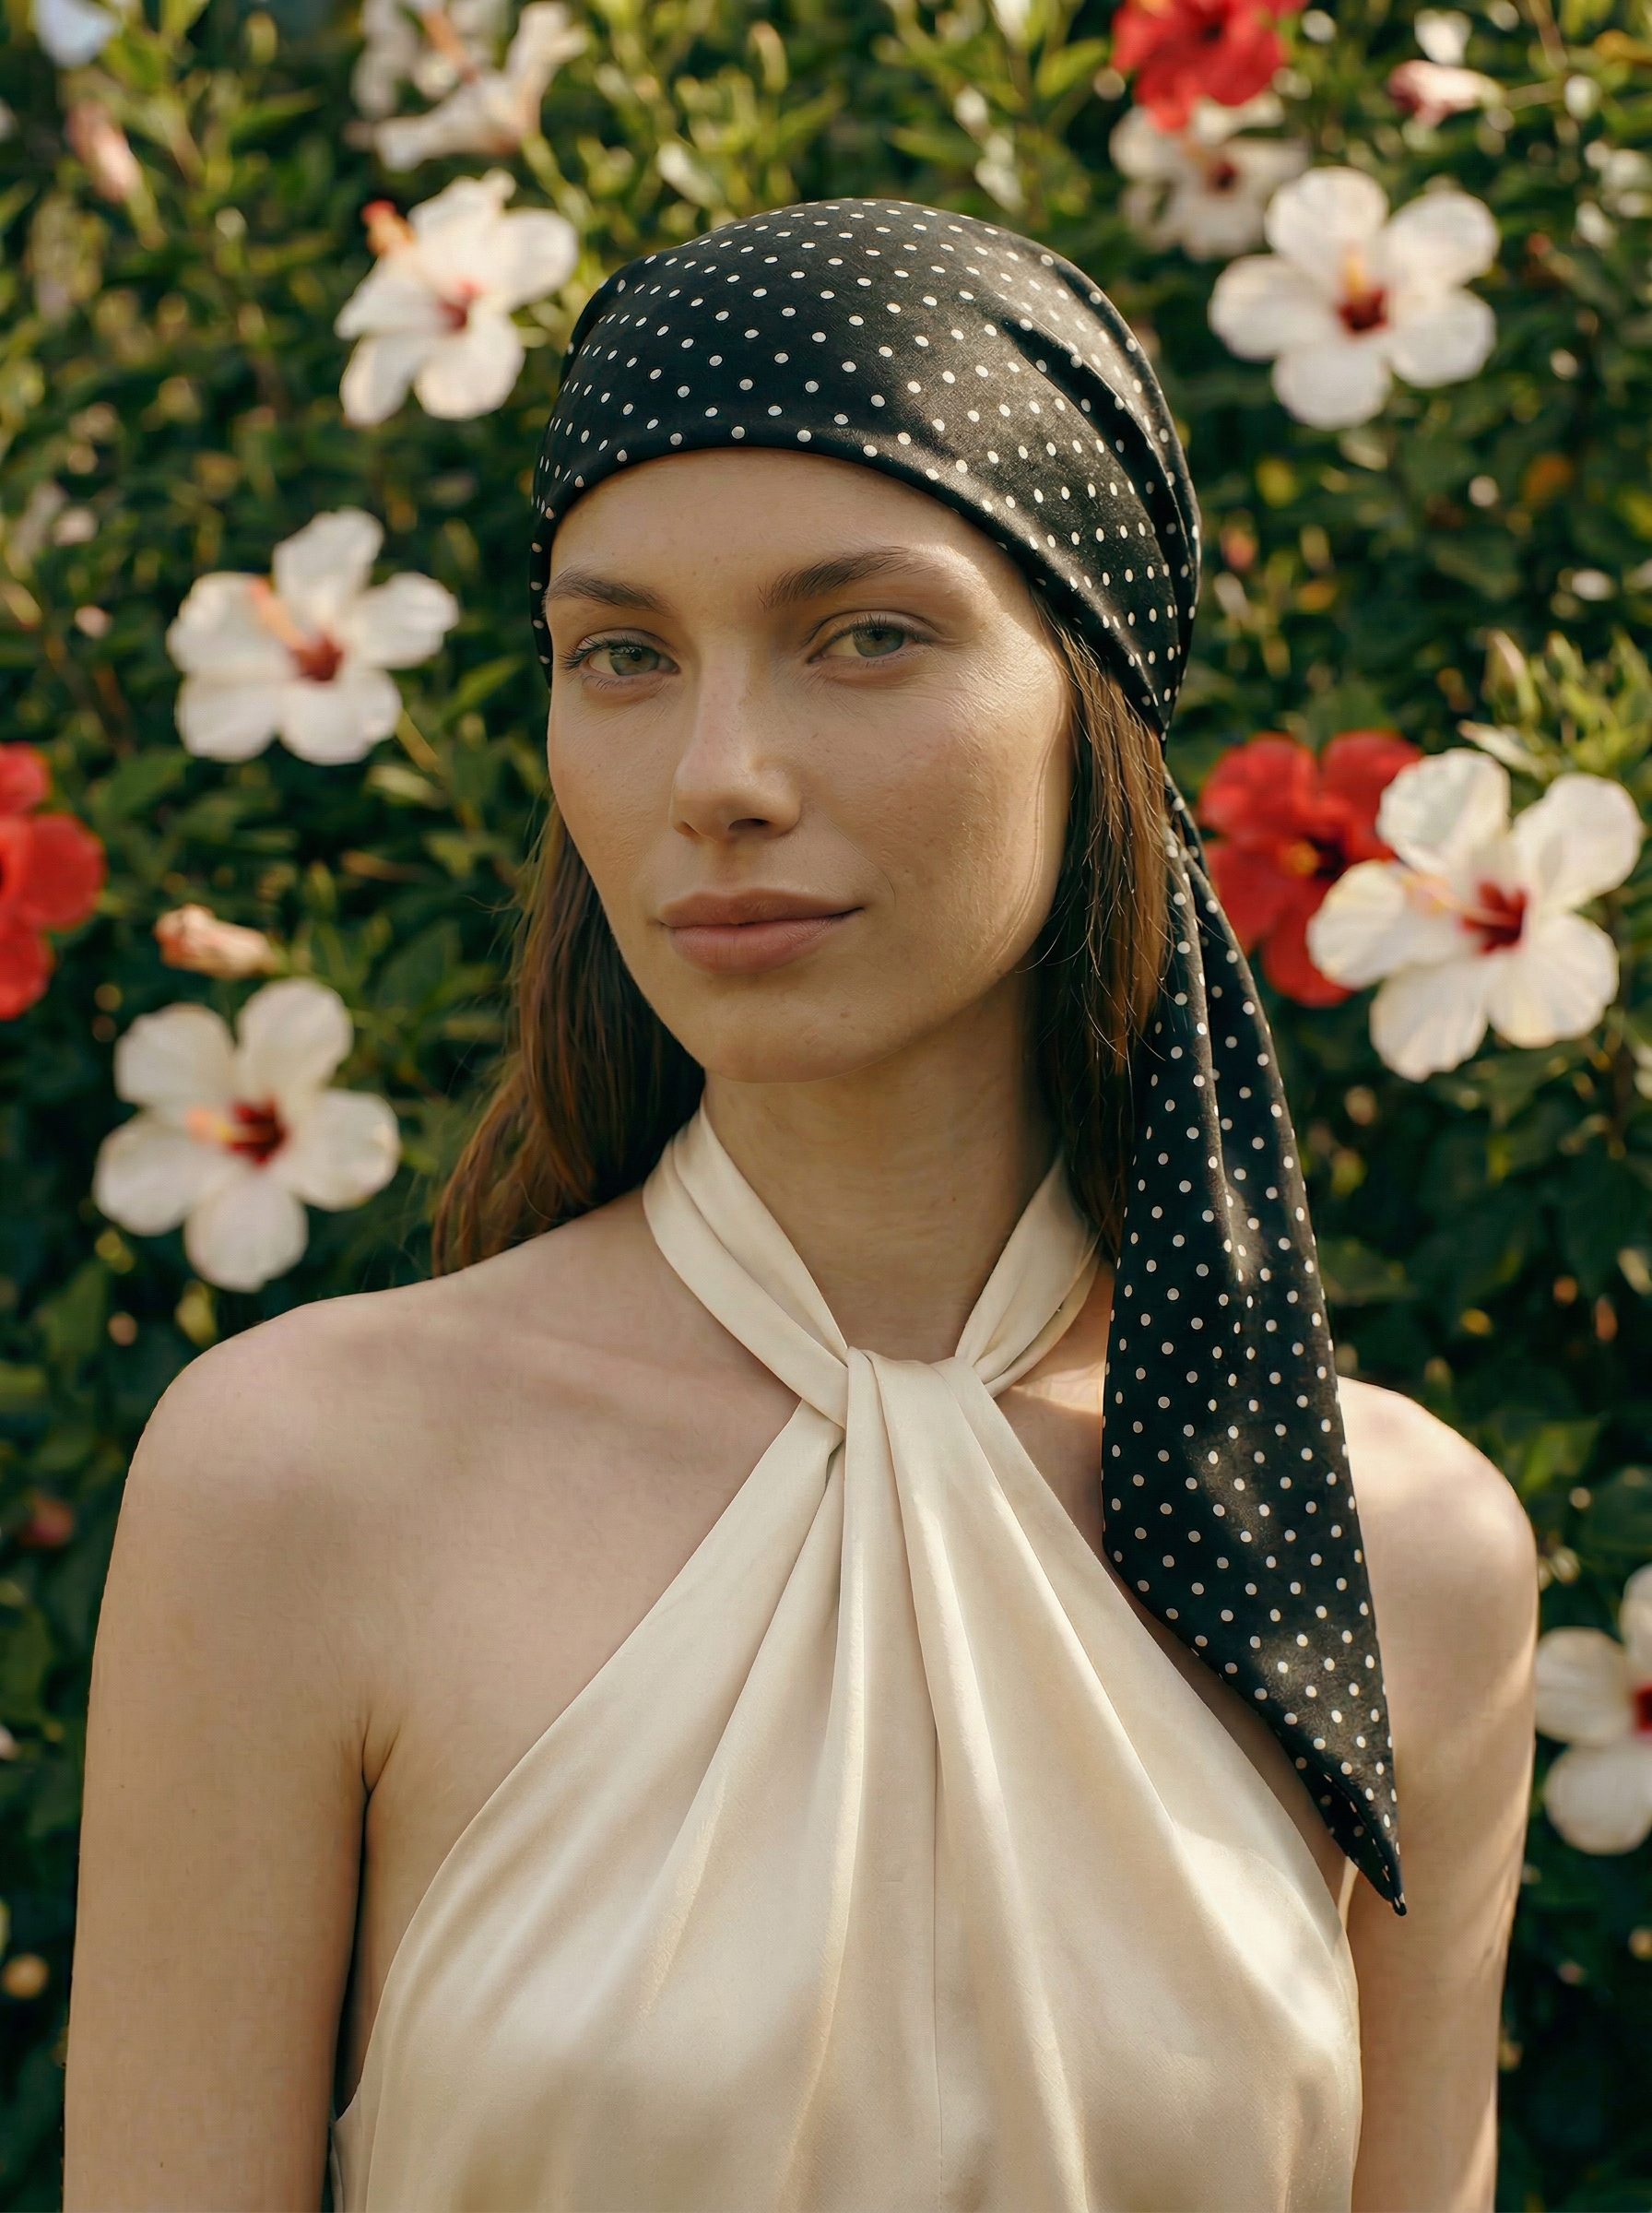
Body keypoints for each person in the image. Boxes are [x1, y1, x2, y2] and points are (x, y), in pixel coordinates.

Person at [65, 200, 1536, 2213]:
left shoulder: (1391, 1555)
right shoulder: (302, 1485)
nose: (718, 772)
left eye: (865, 634)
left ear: (1086, 695)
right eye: (621, 656)